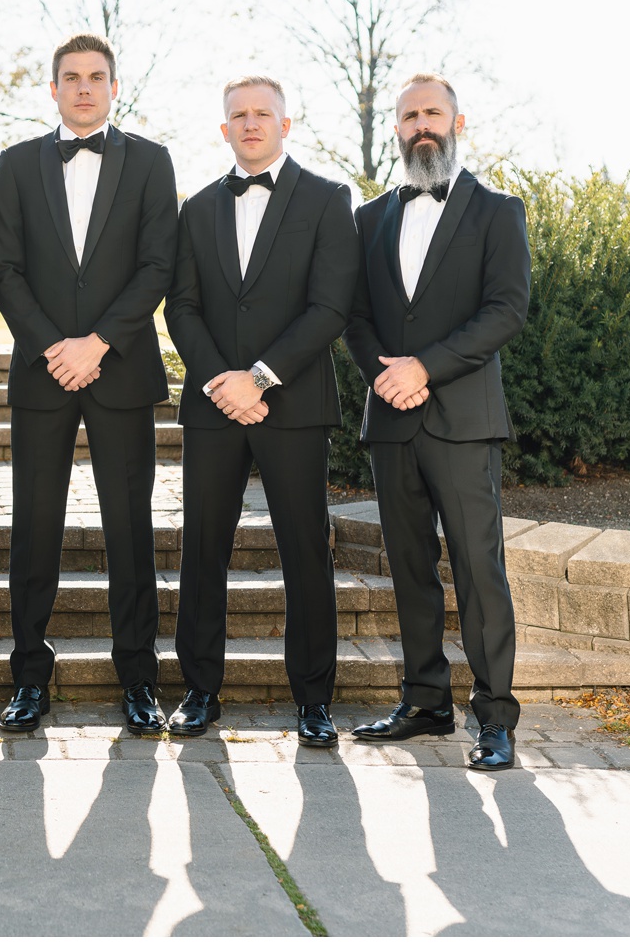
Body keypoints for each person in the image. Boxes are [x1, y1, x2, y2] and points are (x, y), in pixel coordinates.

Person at [0, 33, 178, 735]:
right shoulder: (13, 165)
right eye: (71, 78)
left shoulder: (153, 163)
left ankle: (139, 680)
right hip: (42, 375)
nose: (85, 88)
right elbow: (3, 270)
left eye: (97, 77)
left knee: (130, 529)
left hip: (121, 369)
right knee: (33, 529)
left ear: (114, 86)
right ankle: (28, 681)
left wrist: (96, 344)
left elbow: (158, 265)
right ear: (53, 89)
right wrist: (52, 347)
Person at [343, 73, 531, 771]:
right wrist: (386, 376)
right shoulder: (366, 220)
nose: (421, 123)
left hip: (463, 418)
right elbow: (354, 316)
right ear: (396, 127)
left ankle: (496, 717)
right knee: (410, 569)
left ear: (456, 121)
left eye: (433, 112)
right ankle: (425, 700)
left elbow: (506, 310)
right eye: (409, 115)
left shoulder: (499, 211)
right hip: (390, 420)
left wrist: (425, 367)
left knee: (481, 570)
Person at [164, 76, 360, 742]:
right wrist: (223, 379)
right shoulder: (196, 210)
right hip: (213, 403)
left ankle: (313, 698)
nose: (250, 124)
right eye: (238, 116)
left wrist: (261, 377)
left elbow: (329, 307)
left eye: (262, 114)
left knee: (305, 548)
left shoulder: (329, 200)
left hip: (294, 402)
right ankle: (199, 688)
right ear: (224, 129)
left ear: (285, 123)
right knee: (202, 548)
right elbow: (181, 307)